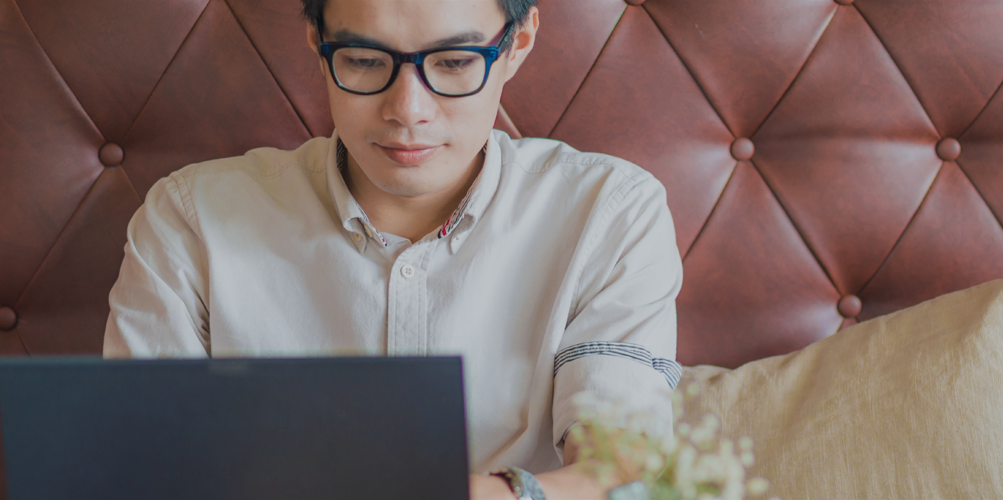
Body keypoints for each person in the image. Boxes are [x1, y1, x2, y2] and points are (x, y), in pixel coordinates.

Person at [102, 0, 683, 498]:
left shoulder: (609, 211)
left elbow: (618, 459)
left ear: (518, 43)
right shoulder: (189, 218)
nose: (408, 110)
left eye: (454, 63)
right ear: (318, 41)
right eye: (363, 60)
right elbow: (138, 463)